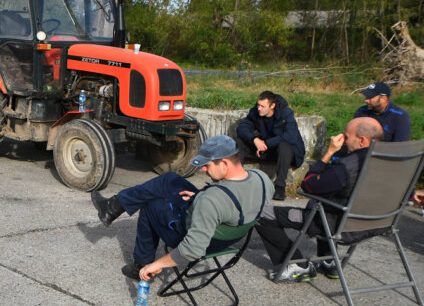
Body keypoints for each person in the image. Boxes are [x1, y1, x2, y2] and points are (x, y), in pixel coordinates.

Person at [92, 135, 273, 281]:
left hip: (201, 238)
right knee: (170, 179)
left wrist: (158, 265)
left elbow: (191, 250)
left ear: (224, 163)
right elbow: (238, 203)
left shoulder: (212, 199)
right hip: (228, 234)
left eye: (207, 165)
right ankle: (114, 206)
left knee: (150, 204)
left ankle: (141, 266)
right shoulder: (262, 179)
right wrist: (199, 197)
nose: (203, 170)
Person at [255, 117, 384, 283]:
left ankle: (298, 265)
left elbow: (308, 185)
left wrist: (329, 152)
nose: (343, 140)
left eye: (346, 136)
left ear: (362, 140)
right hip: (375, 223)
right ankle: (330, 261)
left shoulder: (347, 167)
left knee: (262, 212)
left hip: (338, 226)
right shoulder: (393, 162)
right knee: (324, 201)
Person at [235, 91, 306, 201]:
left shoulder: (286, 113)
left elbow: (290, 136)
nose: (259, 108)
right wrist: (255, 139)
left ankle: (280, 187)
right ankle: (236, 181)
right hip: (265, 150)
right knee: (239, 141)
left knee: (284, 146)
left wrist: (267, 144)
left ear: (272, 106)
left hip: (286, 153)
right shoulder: (255, 112)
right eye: (258, 105)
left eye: (262, 106)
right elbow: (242, 128)